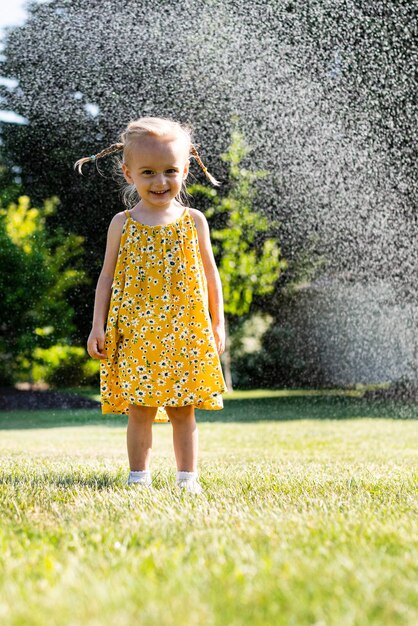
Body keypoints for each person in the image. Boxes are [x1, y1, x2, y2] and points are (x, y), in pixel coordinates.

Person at [74, 116, 228, 494]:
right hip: (136, 332)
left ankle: (187, 479)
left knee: (183, 407)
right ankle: (138, 477)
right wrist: (98, 326)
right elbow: (106, 278)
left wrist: (218, 323)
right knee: (139, 408)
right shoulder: (121, 224)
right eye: (148, 172)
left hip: (186, 330)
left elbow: (211, 276)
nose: (160, 182)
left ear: (186, 170)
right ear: (128, 173)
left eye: (170, 171)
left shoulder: (194, 221)